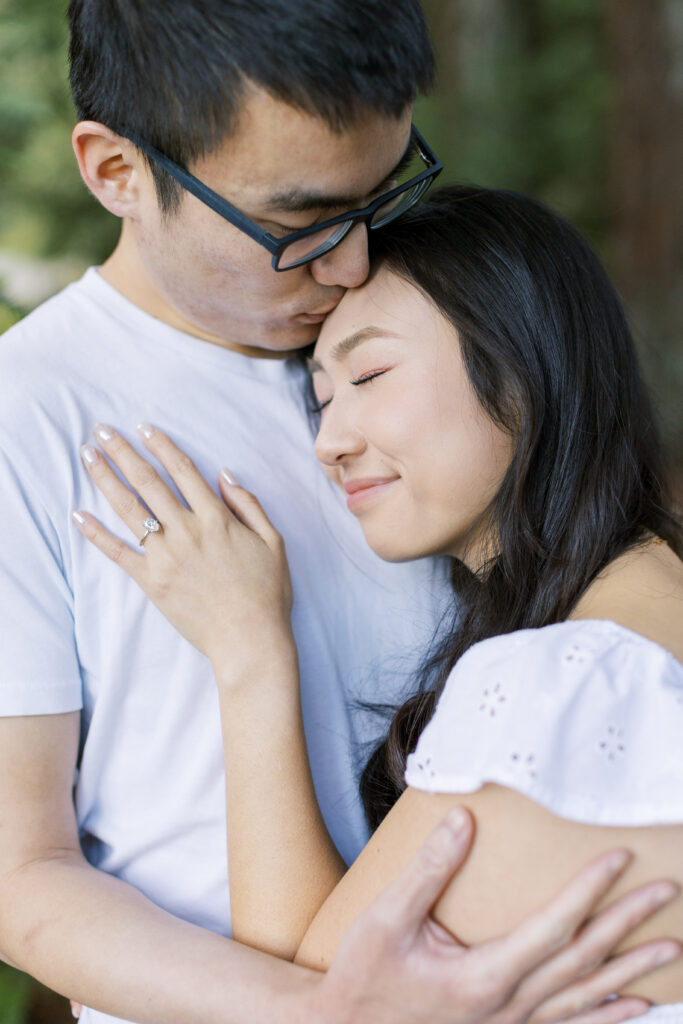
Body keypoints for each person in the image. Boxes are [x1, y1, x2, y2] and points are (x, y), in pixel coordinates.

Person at [0, 0, 677, 1018]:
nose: (350, 258)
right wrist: (328, 1011)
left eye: (382, 194)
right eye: (298, 221)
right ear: (116, 173)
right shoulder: (31, 414)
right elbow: (23, 876)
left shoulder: (413, 324)